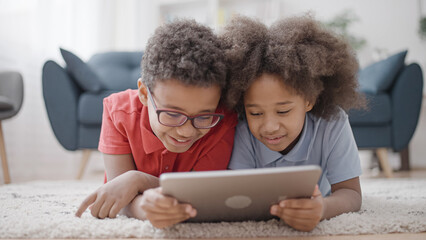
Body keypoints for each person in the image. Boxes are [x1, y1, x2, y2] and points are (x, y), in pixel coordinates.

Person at [75, 19, 237, 229]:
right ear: (144, 93)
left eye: (203, 116)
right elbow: (119, 192)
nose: (186, 130)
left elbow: (201, 194)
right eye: (171, 114)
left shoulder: (222, 121)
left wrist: (138, 181)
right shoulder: (118, 112)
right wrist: (145, 208)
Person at [221, 15, 366, 232]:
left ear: (309, 100)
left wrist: (322, 208)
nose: (269, 126)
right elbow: (235, 197)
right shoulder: (242, 129)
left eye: (283, 111)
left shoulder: (332, 123)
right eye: (256, 113)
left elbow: (351, 194)